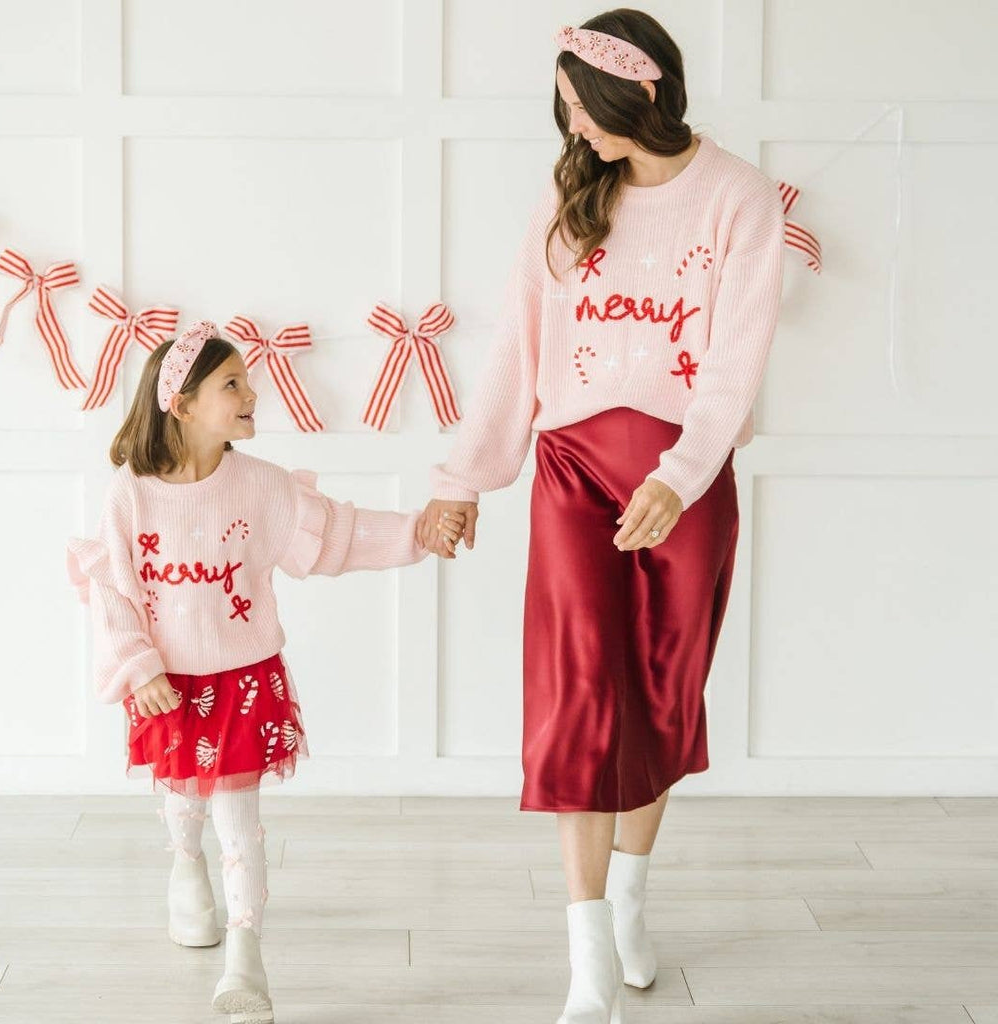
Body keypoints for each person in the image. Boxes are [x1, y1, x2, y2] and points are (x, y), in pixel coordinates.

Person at [421, 10, 785, 1022]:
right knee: (577, 690)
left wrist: (681, 474)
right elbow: (518, 344)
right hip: (574, 470)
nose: (573, 129)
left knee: (664, 695)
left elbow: (736, 357)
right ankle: (586, 962)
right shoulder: (571, 193)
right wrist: (463, 477)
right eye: (566, 110)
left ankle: (627, 902)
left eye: (585, 108)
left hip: (686, 479)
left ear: (643, 93)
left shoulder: (739, 198)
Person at [67, 320, 463, 1023]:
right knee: (183, 799)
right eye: (233, 384)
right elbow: (113, 590)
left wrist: (416, 532)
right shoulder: (130, 494)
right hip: (166, 684)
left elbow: (338, 534)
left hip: (243, 680)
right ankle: (185, 866)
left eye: (248, 382)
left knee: (239, 821)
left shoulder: (261, 486)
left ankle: (245, 955)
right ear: (182, 404)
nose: (253, 395)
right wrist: (138, 665)